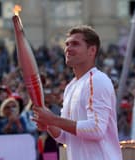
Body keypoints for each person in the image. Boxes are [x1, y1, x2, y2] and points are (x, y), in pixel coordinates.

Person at [33, 25, 122, 160]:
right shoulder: (70, 87)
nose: (68, 48)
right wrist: (49, 124)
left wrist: (53, 119)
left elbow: (96, 129)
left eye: (75, 44)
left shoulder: (97, 80)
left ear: (92, 50)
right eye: (67, 44)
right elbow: (65, 137)